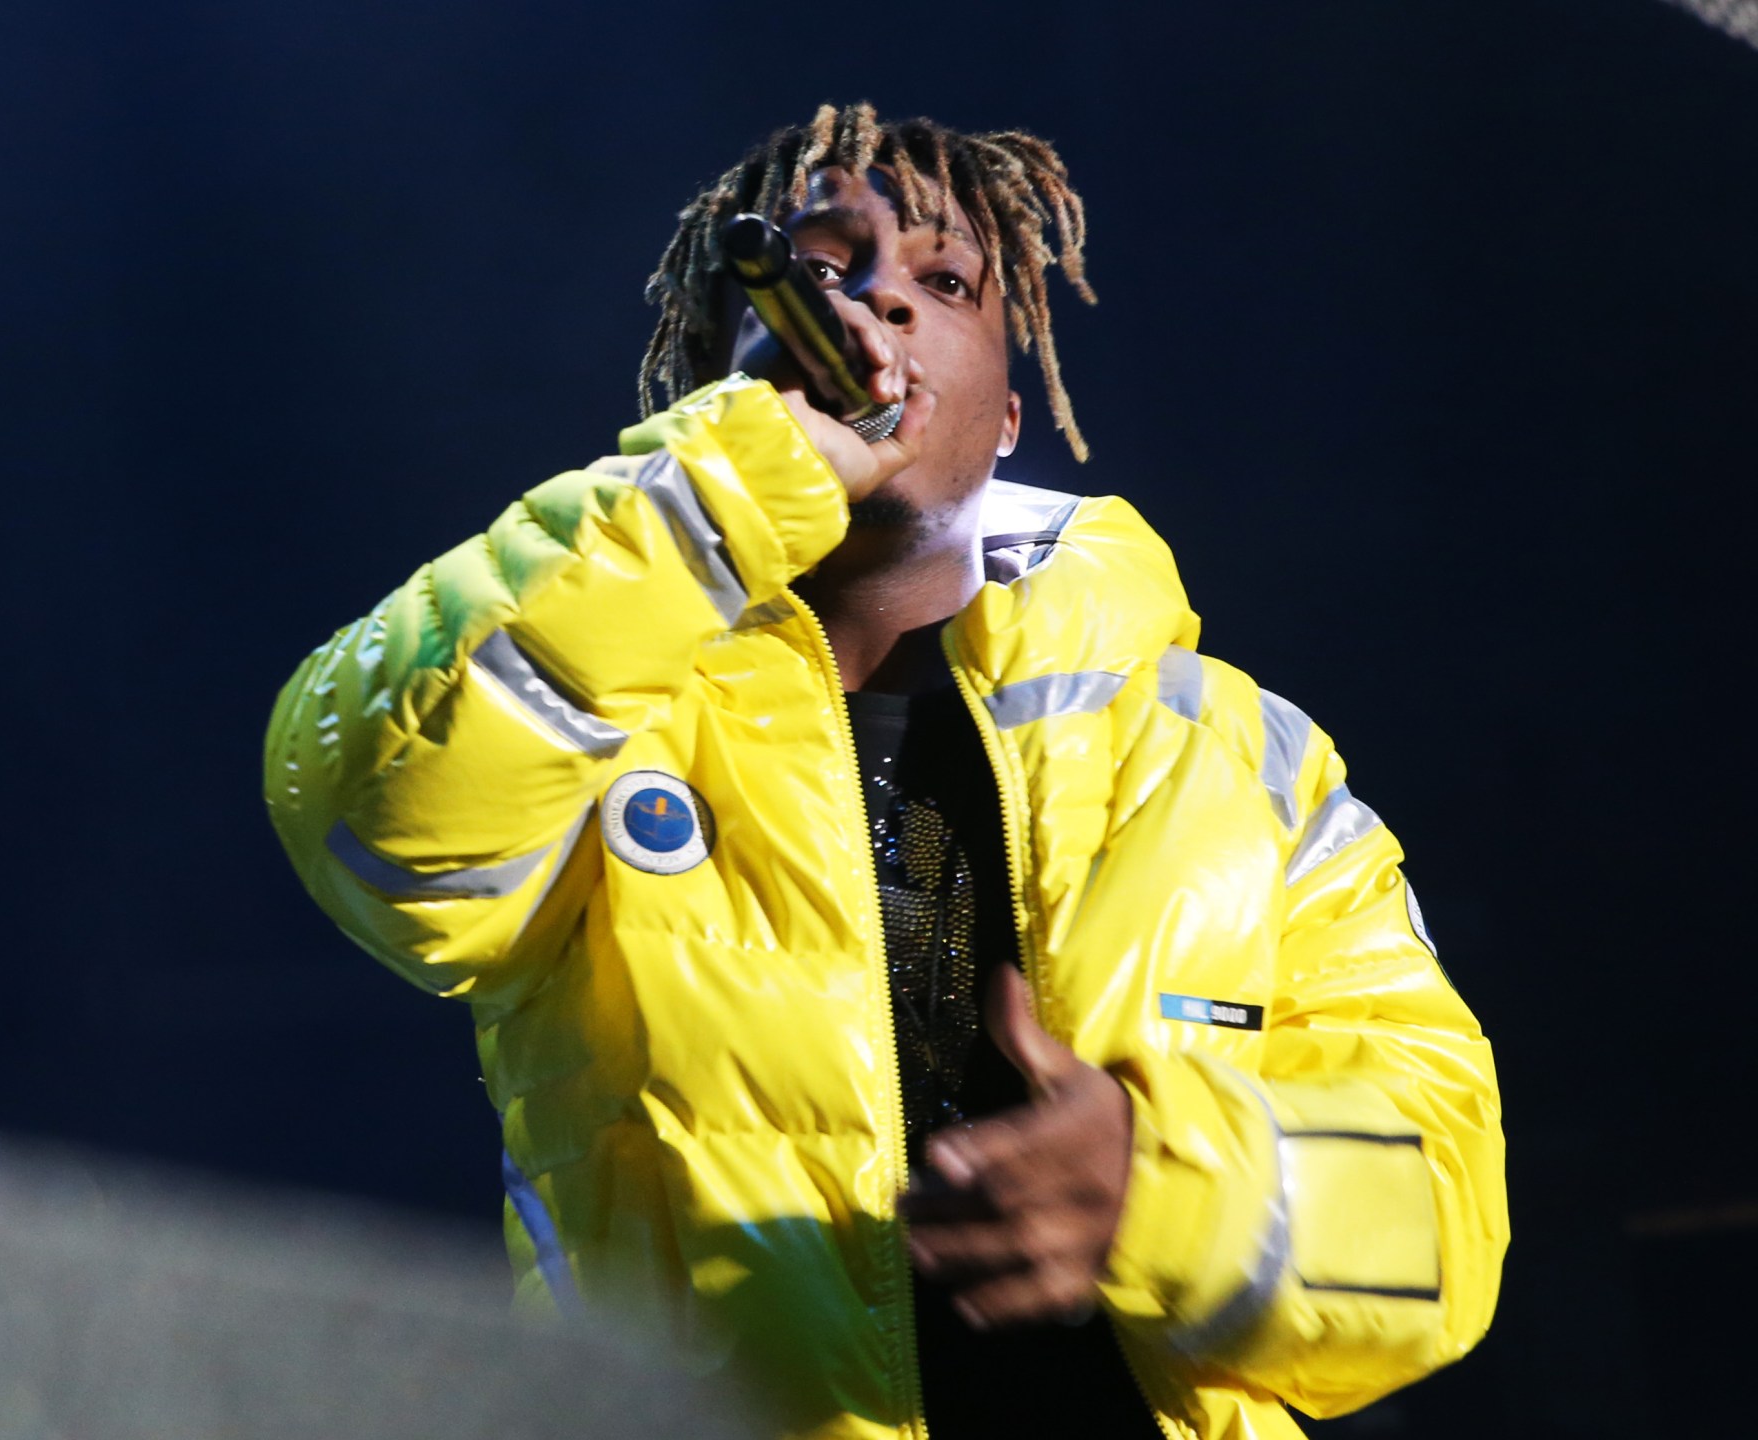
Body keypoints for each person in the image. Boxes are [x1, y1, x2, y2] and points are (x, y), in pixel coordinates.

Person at [261, 101, 1506, 1440]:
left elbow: (1439, 1218)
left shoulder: (1233, 756)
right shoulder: (604, 714)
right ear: (714, 385)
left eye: (945, 281)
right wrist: (732, 482)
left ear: (1013, 413)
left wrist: (1165, 1185)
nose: (877, 310)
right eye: (819, 275)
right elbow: (375, 817)